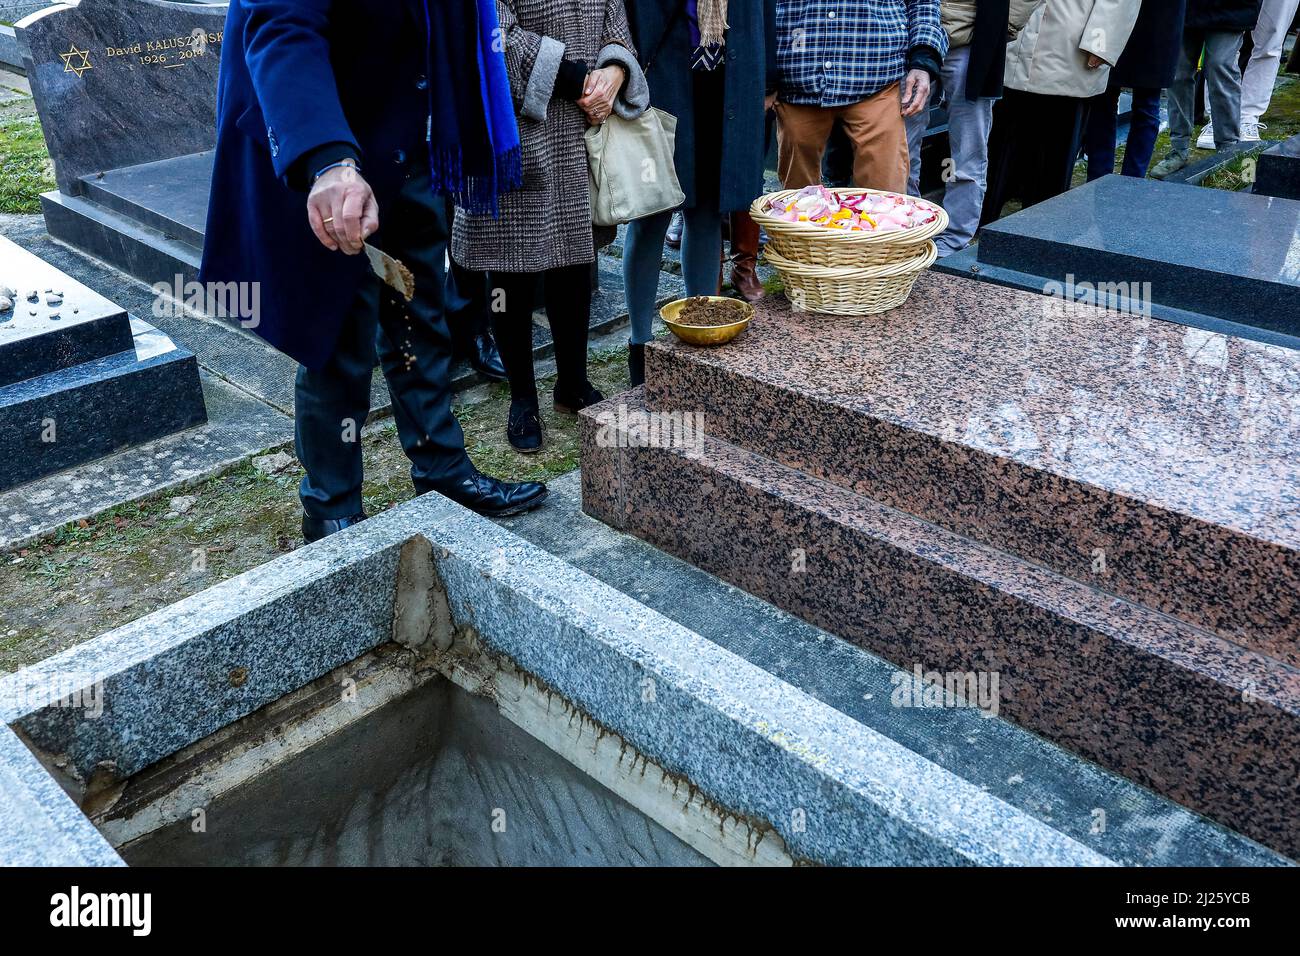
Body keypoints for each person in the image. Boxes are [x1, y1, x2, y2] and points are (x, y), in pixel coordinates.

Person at [200, 0, 549, 543]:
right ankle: (331, 507)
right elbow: (282, 25)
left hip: (407, 138)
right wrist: (329, 161)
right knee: (338, 337)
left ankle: (441, 468)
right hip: (325, 154)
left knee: (420, 310)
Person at [454, 0, 648, 452]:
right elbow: (494, 30)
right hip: (519, 125)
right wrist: (578, 79)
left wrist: (615, 72)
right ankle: (522, 396)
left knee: (575, 261)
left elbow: (617, 27)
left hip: (583, 126)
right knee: (510, 268)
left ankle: (572, 383)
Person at [621, 0, 774, 386]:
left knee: (707, 212)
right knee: (651, 214)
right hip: (662, 81)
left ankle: (701, 330)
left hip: (727, 85)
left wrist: (769, 78)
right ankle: (640, 345)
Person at [982, 0, 1141, 223]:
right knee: (997, 147)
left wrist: (1101, 43)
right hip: (1014, 35)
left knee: (1053, 156)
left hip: (1070, 43)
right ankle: (983, 220)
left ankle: (1038, 230)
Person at [773, 0, 948, 194]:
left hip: (877, 78)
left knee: (884, 204)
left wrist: (924, 58)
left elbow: (923, 3)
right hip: (799, 79)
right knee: (797, 207)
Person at [904, 0, 1012, 256]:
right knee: (902, 147)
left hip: (969, 44)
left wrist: (1001, 26)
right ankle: (909, 229)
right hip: (912, 42)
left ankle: (953, 240)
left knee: (968, 149)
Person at [1152, 0, 1265, 177]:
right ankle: (1179, 149)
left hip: (1231, 9)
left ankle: (1228, 149)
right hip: (1185, 7)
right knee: (1178, 73)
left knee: (1220, 67)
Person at [1085, 0, 1187, 180]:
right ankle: (1099, 181)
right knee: (1103, 97)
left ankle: (1130, 183)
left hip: (1160, 17)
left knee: (1146, 102)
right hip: (1114, 13)